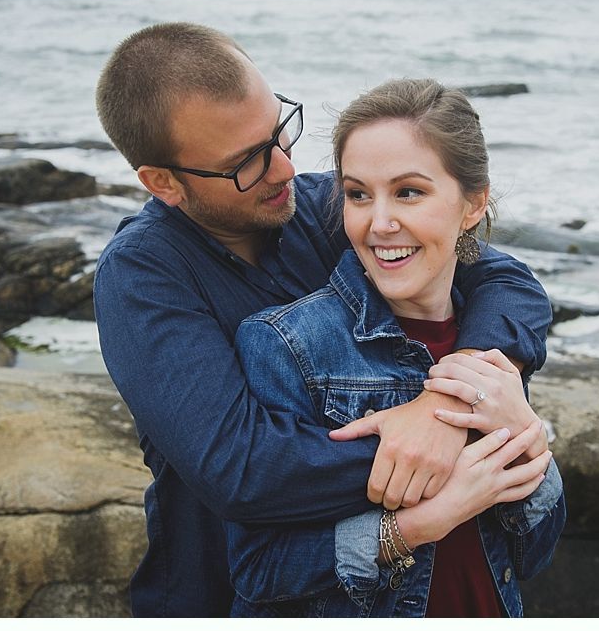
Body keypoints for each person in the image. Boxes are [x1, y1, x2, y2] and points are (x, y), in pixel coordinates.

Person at [92, 22, 554, 617]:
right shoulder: (140, 276)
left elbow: (504, 278)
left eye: (280, 131)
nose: (285, 168)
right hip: (227, 593)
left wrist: (455, 398)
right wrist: (451, 444)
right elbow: (243, 467)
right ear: (163, 183)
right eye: (247, 162)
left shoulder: (315, 206)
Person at [227, 78, 564, 617]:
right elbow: (259, 569)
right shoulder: (287, 343)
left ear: (473, 204)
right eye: (359, 194)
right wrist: (421, 522)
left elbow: (532, 553)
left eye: (409, 192)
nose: (378, 223)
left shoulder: (493, 350)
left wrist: (529, 446)